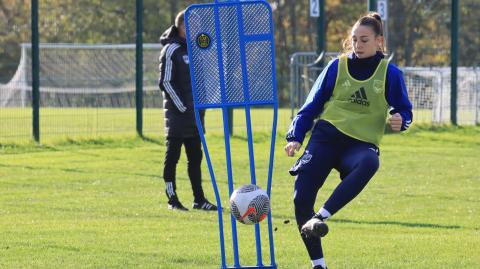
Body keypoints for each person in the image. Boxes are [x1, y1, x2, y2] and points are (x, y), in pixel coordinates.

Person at [284, 13, 412, 269]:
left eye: (364, 39)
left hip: (359, 145)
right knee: (300, 198)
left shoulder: (391, 73)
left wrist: (401, 120)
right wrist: (296, 136)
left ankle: (319, 217)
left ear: (379, 41)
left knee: (370, 162)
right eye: (354, 39)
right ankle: (318, 264)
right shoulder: (335, 67)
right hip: (325, 138)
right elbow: (311, 106)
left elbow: (404, 110)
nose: (358, 44)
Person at [158, 10, 217, 211]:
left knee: (195, 158)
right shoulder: (171, 50)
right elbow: (165, 82)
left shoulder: (195, 49)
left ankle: (199, 199)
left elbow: (201, 79)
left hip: (195, 116)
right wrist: (182, 106)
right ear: (182, 26)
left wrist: (201, 106)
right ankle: (172, 200)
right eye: (193, 25)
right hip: (177, 116)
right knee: (172, 158)